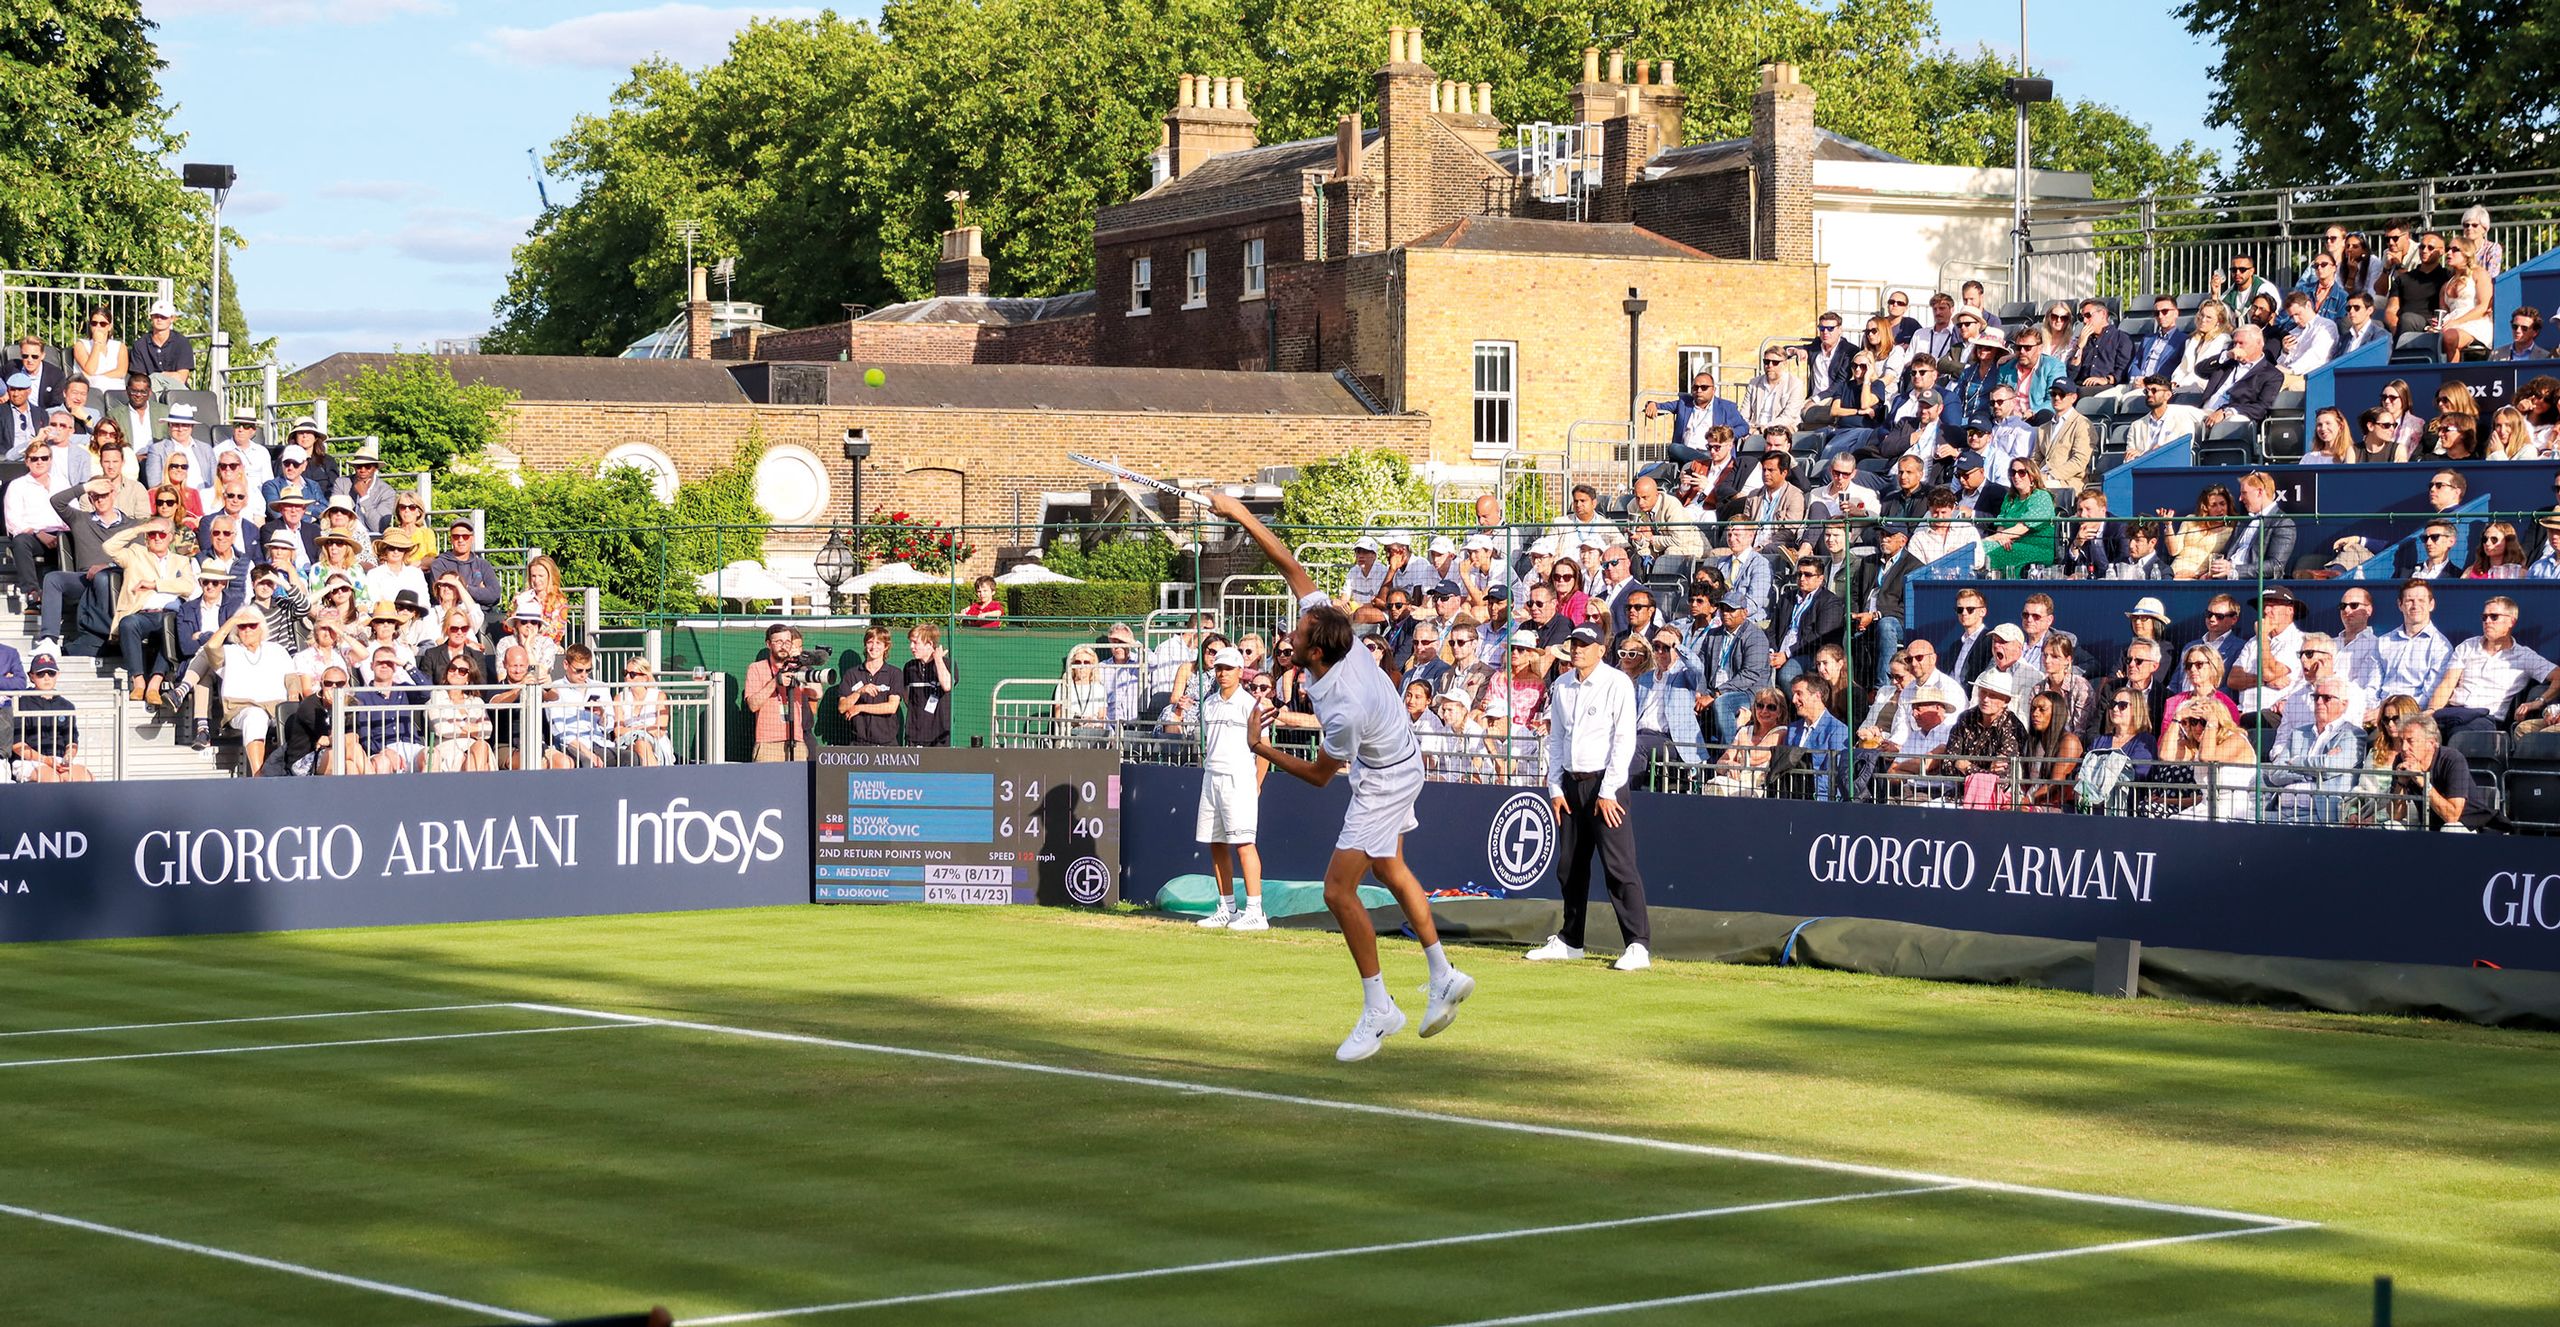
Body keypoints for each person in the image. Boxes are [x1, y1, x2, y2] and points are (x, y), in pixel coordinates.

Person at [1211, 489, 1473, 1063]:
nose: (1292, 632)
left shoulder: (1338, 706)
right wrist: (1238, 513)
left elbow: (1321, 776)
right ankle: (1442, 972)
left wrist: (1261, 745)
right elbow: (1287, 562)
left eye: (1299, 635)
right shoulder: (1337, 639)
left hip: (1383, 779)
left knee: (1337, 890)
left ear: (1316, 652)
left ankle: (1380, 1007)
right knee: (1390, 866)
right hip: (1404, 761)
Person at [1189, 645, 1270, 931]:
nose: (1222, 673)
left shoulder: (1251, 705)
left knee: (1245, 843)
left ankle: (1256, 911)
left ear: (1239, 672)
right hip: (1212, 778)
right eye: (1218, 668)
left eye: (1228, 669)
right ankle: (1227, 908)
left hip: (1239, 781)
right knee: (1216, 843)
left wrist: (1257, 784)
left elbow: (1264, 750)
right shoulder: (1208, 704)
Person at [2426, 596, 2559, 735]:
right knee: (2419, 732)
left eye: (2494, 617)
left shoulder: (2524, 656)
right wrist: (2432, 711)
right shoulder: (2467, 646)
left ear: (2511, 621)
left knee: (2457, 734)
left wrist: (2539, 701)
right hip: (2453, 712)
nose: (2487, 621)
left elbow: (2558, 676)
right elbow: (2447, 684)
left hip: (2487, 719)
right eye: (2484, 617)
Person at [2390, 713, 2485, 831]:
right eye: (2401, 741)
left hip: (2471, 826)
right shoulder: (2401, 760)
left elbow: (2452, 817)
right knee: (2391, 826)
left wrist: (2423, 782)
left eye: (2411, 741)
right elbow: (2395, 816)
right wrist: (2401, 783)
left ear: (2431, 743)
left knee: (2450, 829)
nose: (2404, 748)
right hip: (2427, 826)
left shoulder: (2453, 759)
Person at [744, 623, 823, 761]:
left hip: (797, 741)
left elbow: (817, 693)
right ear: (768, 644)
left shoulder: (798, 668)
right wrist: (775, 681)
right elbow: (753, 705)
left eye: (787, 642)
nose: (783, 646)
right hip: (768, 743)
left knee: (799, 782)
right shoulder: (756, 668)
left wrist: (801, 663)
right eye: (778, 641)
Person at [1982, 461, 2057, 577]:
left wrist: (1993, 538)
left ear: (2032, 476)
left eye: (2021, 472)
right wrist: (2001, 537)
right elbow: (2001, 522)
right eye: (2013, 472)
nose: (2016, 476)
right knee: (1982, 548)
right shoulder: (2010, 498)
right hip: (2010, 543)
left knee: (1984, 547)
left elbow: (2021, 528)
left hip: (2037, 549)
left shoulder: (2041, 497)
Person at [836, 624, 904, 745]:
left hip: (887, 744)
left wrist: (860, 707)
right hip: (859, 743)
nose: (873, 647)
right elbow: (842, 707)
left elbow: (891, 707)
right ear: (865, 644)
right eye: (870, 642)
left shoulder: (895, 673)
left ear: (886, 647)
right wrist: (859, 691)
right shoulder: (852, 674)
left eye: (878, 643)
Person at [425, 658, 495, 772]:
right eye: (452, 669)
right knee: (481, 764)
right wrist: (473, 729)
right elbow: (441, 729)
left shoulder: (476, 701)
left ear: (469, 677)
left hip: (474, 749)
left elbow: (487, 731)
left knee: (481, 746)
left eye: (462, 671)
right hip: (448, 749)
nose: (456, 673)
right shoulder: (436, 697)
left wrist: (459, 724)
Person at [898, 622, 954, 747]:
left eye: (915, 643)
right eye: (911, 642)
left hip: (940, 735)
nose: (911, 647)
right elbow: (907, 698)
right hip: (914, 735)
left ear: (929, 644)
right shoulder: (909, 667)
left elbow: (947, 685)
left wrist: (938, 659)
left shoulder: (948, 664)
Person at [2437, 238, 2493, 359]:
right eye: (2448, 249)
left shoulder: (2479, 273)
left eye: (2455, 250)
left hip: (2474, 321)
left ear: (2466, 253)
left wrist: (2457, 322)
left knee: (2450, 337)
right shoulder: (2445, 285)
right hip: (2451, 322)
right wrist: (2437, 322)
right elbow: (2444, 312)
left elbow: (2483, 306)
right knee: (2428, 339)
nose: (2449, 253)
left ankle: (2452, 375)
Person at [613, 658, 675, 765]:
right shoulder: (620, 698)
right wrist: (639, 730)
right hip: (627, 740)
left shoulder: (659, 696)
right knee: (640, 742)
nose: (627, 677)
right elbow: (618, 731)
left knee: (642, 743)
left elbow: (660, 728)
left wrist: (638, 730)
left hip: (655, 741)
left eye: (632, 674)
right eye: (625, 673)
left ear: (644, 677)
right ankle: (656, 777)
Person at [130, 299, 194, 387]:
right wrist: (169, 375)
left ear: (172, 319)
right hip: (150, 393)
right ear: (151, 317)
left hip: (176, 392)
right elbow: (141, 381)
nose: (159, 319)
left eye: (164, 317)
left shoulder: (182, 343)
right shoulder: (140, 345)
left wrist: (158, 376)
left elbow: (181, 378)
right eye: (156, 316)